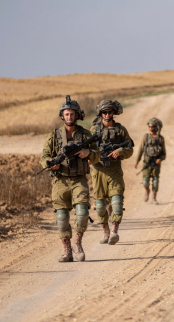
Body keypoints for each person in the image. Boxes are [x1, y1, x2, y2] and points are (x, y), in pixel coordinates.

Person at [41, 95, 100, 262]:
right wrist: (51, 164)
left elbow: (97, 154)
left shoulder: (85, 134)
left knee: (82, 213)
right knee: (61, 217)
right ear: (62, 116)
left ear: (77, 115)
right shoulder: (54, 136)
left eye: (72, 114)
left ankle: (78, 243)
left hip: (79, 179)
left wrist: (89, 153)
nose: (69, 117)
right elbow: (45, 155)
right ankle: (67, 250)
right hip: (60, 180)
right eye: (66, 114)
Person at [90, 100, 134, 245]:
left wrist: (119, 151)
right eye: (104, 112)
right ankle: (105, 232)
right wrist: (89, 158)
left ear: (114, 112)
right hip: (98, 172)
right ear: (100, 113)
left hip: (115, 170)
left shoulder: (121, 130)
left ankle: (114, 231)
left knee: (117, 202)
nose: (107, 114)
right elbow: (86, 150)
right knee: (101, 205)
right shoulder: (93, 131)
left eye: (109, 111)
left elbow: (130, 149)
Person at [134, 118, 166, 204]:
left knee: (155, 181)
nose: (151, 128)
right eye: (149, 126)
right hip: (147, 162)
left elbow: (163, 153)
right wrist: (137, 161)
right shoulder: (146, 137)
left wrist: (160, 159)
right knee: (145, 182)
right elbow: (140, 149)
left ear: (157, 127)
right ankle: (147, 191)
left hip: (156, 163)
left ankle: (153, 198)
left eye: (153, 126)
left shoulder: (160, 139)